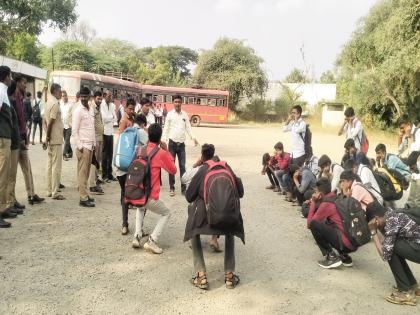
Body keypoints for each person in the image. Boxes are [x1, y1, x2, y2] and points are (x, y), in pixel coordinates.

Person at [184, 143, 244, 290]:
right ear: (214, 154)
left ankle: (201, 275)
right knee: (230, 229)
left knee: (194, 227)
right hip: (229, 218)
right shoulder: (226, 166)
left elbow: (189, 196)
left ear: (202, 156)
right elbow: (240, 192)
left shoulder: (203, 169)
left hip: (206, 218)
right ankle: (229, 276)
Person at [134, 123, 177, 254]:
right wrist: (166, 150)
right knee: (166, 213)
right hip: (150, 195)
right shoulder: (161, 153)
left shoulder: (140, 149)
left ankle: (137, 236)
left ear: (148, 135)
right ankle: (152, 241)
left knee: (140, 208)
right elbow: (173, 170)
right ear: (160, 138)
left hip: (137, 192)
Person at [368, 209, 420, 306]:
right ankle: (412, 285)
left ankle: (406, 292)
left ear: (376, 219)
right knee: (394, 246)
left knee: (390, 249)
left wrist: (373, 232)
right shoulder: (391, 213)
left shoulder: (392, 222)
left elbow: (385, 255)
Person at [307, 178, 355, 269]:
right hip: (353, 242)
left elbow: (309, 224)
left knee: (314, 224)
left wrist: (313, 202)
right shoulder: (337, 197)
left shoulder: (326, 203)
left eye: (316, 192)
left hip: (345, 243)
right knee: (329, 223)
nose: (314, 194)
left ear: (320, 193)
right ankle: (345, 257)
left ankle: (331, 256)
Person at [116, 114, 149, 237]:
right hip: (133, 171)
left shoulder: (126, 132)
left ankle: (124, 226)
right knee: (142, 196)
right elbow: (149, 149)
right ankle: (139, 229)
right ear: (143, 124)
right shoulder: (141, 132)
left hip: (120, 169)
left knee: (125, 196)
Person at [13, 75, 44, 205]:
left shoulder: (21, 98)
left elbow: (22, 120)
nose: (26, 85)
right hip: (15, 139)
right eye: (24, 83)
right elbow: (17, 120)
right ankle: (11, 200)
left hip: (21, 138)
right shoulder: (13, 98)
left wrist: (25, 136)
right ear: (18, 83)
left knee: (27, 168)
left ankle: (31, 194)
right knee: (11, 173)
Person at [163, 94, 199, 196]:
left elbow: (188, 128)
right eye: (176, 102)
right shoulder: (169, 114)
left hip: (181, 145)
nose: (177, 104)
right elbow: (166, 129)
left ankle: (183, 189)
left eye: (179, 102)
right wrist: (163, 141)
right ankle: (172, 188)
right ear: (173, 103)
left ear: (181, 103)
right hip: (171, 144)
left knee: (183, 167)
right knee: (171, 166)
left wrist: (193, 138)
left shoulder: (185, 115)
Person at [72, 87, 96, 208]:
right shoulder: (78, 111)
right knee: (82, 173)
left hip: (90, 145)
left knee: (86, 173)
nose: (83, 98)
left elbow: (92, 128)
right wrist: (80, 146)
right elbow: (74, 131)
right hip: (83, 146)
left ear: (89, 97)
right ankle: (83, 198)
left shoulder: (91, 109)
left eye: (85, 96)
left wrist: (94, 144)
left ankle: (85, 193)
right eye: (81, 96)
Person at [5, 81, 24, 219]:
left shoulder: (12, 103)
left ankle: (12, 200)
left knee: (12, 176)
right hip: (11, 144)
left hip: (15, 143)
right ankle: (8, 203)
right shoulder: (9, 103)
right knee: (9, 177)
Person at [45, 83, 65, 201]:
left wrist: (47, 137)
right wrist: (48, 136)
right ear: (55, 91)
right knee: (56, 166)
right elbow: (51, 121)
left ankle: (49, 190)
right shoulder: (55, 103)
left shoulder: (48, 102)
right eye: (60, 91)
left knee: (49, 165)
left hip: (51, 138)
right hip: (55, 138)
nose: (61, 93)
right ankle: (55, 192)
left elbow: (45, 121)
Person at [0, 66, 14, 228]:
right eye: (10, 76)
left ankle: (3, 208)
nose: (11, 79)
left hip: (6, 138)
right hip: (2, 138)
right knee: (1, 176)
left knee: (4, 175)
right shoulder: (0, 91)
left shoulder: (3, 90)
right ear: (5, 77)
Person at [88, 91, 105, 195]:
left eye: (100, 99)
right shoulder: (91, 107)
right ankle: (92, 183)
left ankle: (95, 178)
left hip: (99, 137)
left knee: (97, 160)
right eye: (98, 98)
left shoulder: (98, 107)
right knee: (93, 162)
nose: (100, 100)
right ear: (94, 98)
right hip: (94, 138)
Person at [100, 90, 117, 182]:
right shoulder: (102, 105)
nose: (110, 98)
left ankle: (109, 174)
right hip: (104, 131)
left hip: (110, 132)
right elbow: (104, 119)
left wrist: (109, 117)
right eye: (109, 96)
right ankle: (104, 175)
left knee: (110, 154)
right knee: (104, 154)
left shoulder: (112, 105)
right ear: (104, 96)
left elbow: (116, 118)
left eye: (111, 96)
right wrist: (111, 117)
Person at [60, 90, 73, 161]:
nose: (64, 97)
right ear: (61, 97)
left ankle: (64, 154)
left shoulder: (71, 104)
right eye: (63, 96)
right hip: (62, 125)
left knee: (66, 140)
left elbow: (73, 115)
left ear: (67, 96)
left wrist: (72, 124)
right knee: (66, 140)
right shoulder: (60, 104)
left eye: (65, 95)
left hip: (69, 125)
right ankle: (70, 152)